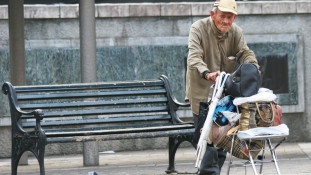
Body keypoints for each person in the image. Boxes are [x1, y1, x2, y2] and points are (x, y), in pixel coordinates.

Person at [185, 0, 260, 174]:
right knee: (207, 138)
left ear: (234, 17)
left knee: (223, 138)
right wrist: (207, 73)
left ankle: (213, 172)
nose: (226, 21)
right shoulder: (198, 28)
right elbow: (194, 57)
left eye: (230, 17)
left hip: (225, 96)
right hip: (202, 94)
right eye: (222, 16)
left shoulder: (236, 32)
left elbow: (245, 52)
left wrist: (253, 67)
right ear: (213, 15)